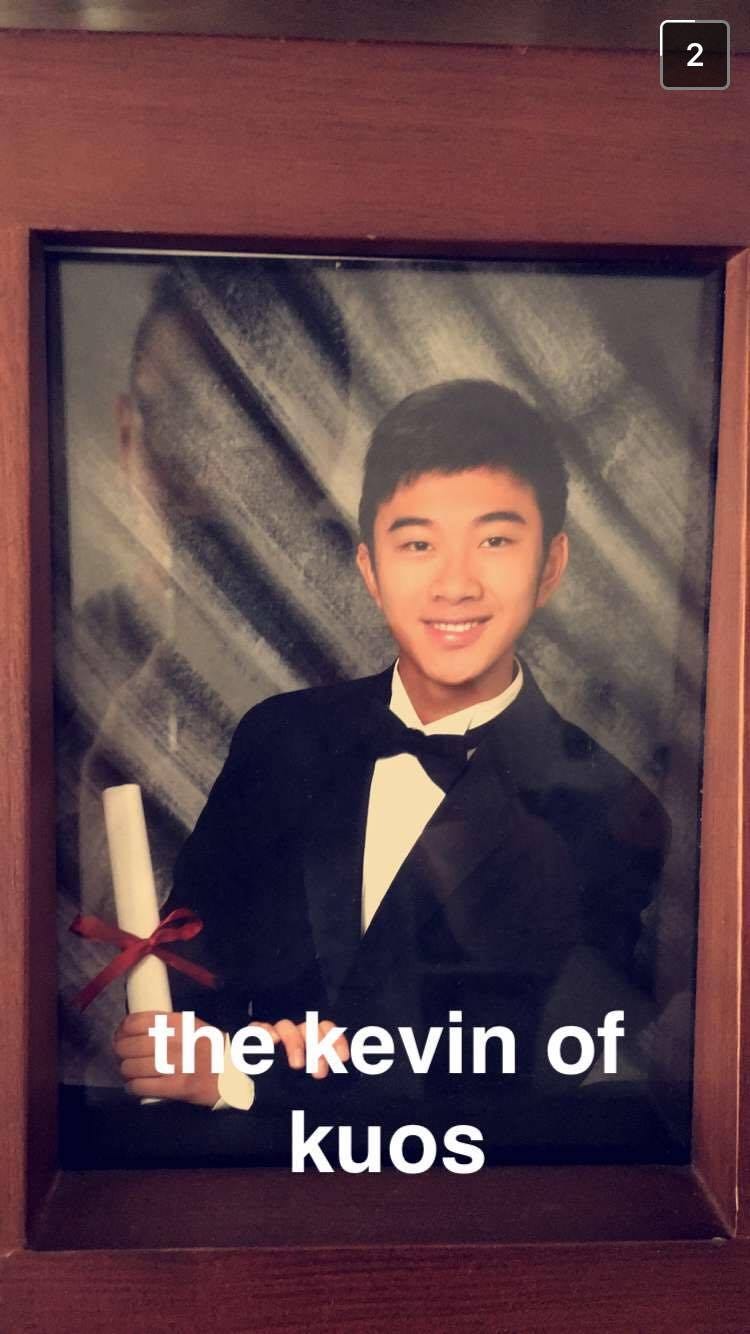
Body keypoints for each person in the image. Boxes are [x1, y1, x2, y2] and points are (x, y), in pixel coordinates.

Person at [113, 378, 671, 1158]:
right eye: (417, 544)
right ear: (371, 569)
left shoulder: (608, 807)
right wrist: (197, 1041)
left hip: (463, 1209)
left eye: (495, 541)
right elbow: (187, 974)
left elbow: (524, 1072)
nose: (455, 583)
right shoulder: (278, 739)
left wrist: (245, 1074)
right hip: (241, 1190)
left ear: (551, 566)